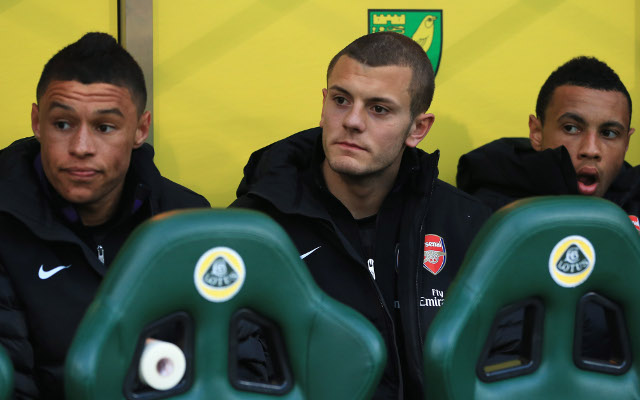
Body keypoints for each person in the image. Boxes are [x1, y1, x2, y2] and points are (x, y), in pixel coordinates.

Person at [232, 32, 491, 399]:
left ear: (418, 128)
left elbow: (500, 361)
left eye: (378, 109)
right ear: (323, 104)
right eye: (341, 100)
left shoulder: (470, 227)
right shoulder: (256, 228)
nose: (352, 121)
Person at [0, 32, 210, 399]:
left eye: (104, 127)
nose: (81, 148)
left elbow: (228, 360)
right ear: (37, 122)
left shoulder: (187, 221)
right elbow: (12, 381)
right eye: (62, 124)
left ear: (140, 129)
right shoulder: (4, 221)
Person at [457, 56, 638, 222]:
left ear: (626, 143)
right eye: (571, 128)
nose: (591, 150)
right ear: (536, 132)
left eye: (609, 133)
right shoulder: (488, 214)